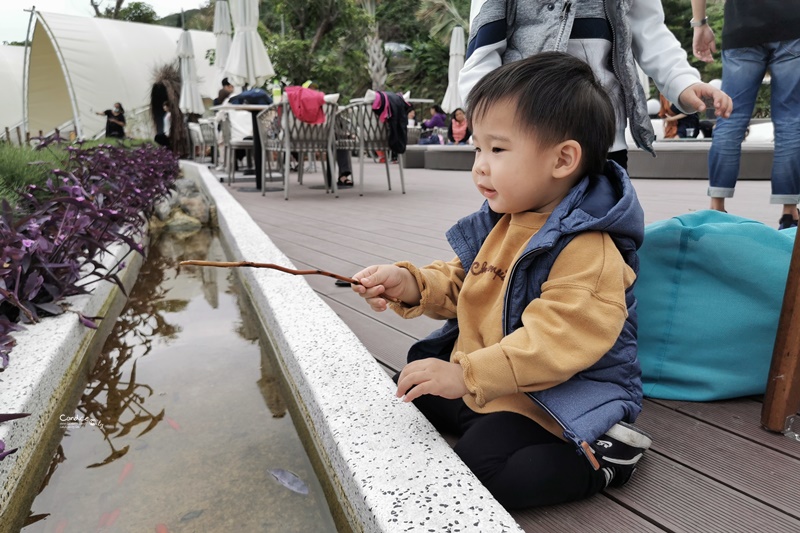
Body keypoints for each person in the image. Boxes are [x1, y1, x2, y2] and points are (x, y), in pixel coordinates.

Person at [351, 52, 652, 509]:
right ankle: (479, 417)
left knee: (484, 476)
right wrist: (408, 283)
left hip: (557, 393)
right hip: (498, 379)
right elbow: (464, 281)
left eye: (497, 149)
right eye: (477, 148)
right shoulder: (504, 220)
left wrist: (465, 374)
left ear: (562, 159)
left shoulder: (588, 249)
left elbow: (556, 344)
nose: (479, 165)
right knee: (412, 390)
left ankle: (605, 462)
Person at [459, 0, 733, 170]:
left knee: (605, 239)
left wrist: (682, 82)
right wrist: (490, 124)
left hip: (603, 136)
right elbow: (483, 49)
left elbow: (650, 31)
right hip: (525, 135)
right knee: (519, 240)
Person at [691, 0, 800, 229]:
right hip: (793, 24)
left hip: (742, 28)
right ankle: (789, 212)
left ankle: (717, 206)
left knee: (730, 117)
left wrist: (700, 24)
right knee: (790, 121)